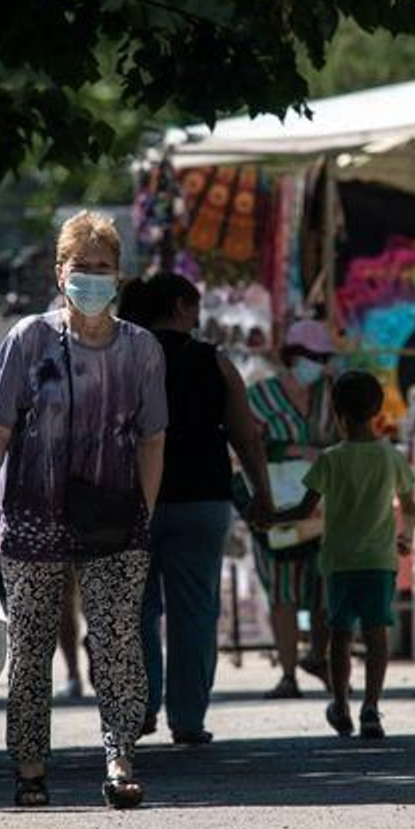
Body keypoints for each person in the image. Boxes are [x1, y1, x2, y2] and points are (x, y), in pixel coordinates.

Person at [0, 211, 167, 810]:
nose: (92, 279)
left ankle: (120, 757)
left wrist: (145, 512)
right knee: (31, 645)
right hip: (30, 511)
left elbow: (153, 436)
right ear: (60, 272)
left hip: (116, 516)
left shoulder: (142, 350)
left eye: (104, 269)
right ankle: (30, 766)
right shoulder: (29, 339)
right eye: (82, 268)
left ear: (120, 276)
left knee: (118, 641)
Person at [119, 273, 274, 745]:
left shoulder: (121, 359)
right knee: (194, 611)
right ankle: (187, 719)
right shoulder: (214, 362)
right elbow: (246, 436)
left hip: (131, 502)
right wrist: (262, 495)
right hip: (202, 500)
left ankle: (139, 706)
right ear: (182, 305)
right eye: (195, 305)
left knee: (134, 611)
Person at [277, 371, 414, 740]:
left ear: (336, 412)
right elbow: (410, 502)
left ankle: (340, 704)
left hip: (339, 563)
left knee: (340, 633)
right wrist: (406, 535)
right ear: (378, 410)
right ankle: (371, 707)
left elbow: (305, 510)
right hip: (380, 561)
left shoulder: (330, 459)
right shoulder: (391, 456)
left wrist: (271, 517)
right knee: (376, 634)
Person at [247, 318, 337, 698]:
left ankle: (319, 657)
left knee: (322, 588)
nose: (317, 363)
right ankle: (288, 674)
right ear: (292, 356)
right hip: (276, 506)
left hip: (321, 507)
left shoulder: (330, 395)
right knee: (282, 590)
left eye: (323, 357)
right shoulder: (259, 396)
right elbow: (244, 447)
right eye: (311, 356)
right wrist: (293, 450)